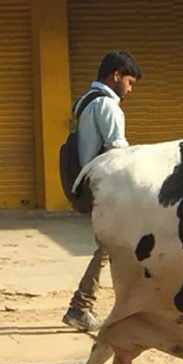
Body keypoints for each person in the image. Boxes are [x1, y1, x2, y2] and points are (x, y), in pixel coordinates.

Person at [62, 50, 142, 332]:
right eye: (129, 82)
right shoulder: (107, 105)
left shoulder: (83, 101)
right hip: (106, 186)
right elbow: (116, 149)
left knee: (115, 245)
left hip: (88, 183)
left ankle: (87, 306)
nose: (130, 89)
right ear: (116, 75)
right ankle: (81, 307)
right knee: (115, 245)